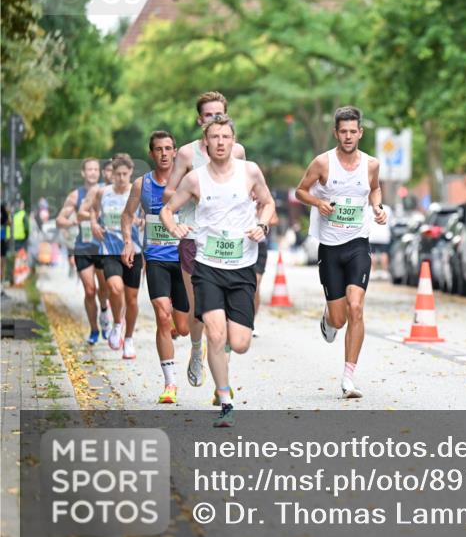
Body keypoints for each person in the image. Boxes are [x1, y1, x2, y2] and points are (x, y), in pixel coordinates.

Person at [161, 115, 274, 427]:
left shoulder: (249, 171)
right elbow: (167, 209)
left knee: (239, 343)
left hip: (241, 267)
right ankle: (225, 400)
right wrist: (175, 227)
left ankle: (223, 354)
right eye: (215, 137)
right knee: (214, 332)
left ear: (233, 141)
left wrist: (262, 224)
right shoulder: (195, 179)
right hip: (207, 265)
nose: (221, 142)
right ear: (206, 142)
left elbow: (268, 203)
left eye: (226, 136)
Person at [294, 106, 387, 399]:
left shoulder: (371, 164)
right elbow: (300, 191)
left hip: (358, 243)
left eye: (353, 131)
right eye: (343, 131)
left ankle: (348, 378)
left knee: (356, 306)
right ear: (336, 133)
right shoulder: (323, 163)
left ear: (360, 132)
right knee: (339, 319)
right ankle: (328, 318)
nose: (348, 136)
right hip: (330, 247)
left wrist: (377, 207)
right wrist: (317, 203)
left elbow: (375, 189)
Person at [164, 91, 247, 388]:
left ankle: (222, 368)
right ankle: (197, 351)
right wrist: (193, 194)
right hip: (194, 237)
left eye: (219, 114)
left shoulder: (237, 152)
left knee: (226, 309)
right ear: (200, 120)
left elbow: (245, 189)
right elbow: (168, 193)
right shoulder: (186, 154)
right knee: (199, 305)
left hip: (228, 238)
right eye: (208, 115)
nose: (213, 119)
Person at [121, 131, 191, 404]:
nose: (163, 153)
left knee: (183, 327)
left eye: (168, 148)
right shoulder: (142, 184)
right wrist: (128, 242)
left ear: (175, 152)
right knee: (163, 316)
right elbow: (128, 215)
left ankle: (189, 337)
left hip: (184, 259)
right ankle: (170, 384)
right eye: (158, 149)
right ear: (151, 154)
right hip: (156, 259)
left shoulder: (188, 181)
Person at [81, 154, 143, 358]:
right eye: (118, 174)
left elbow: (148, 216)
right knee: (115, 288)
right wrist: (94, 223)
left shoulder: (138, 192)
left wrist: (141, 223)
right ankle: (117, 324)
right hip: (110, 251)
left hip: (134, 250)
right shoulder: (102, 192)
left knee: (132, 300)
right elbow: (92, 210)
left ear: (131, 173)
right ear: (112, 175)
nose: (122, 178)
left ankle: (129, 339)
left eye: (125, 174)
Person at [55, 158, 112, 344]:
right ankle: (94, 330)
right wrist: (74, 221)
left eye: (96, 169)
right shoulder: (75, 195)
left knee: (104, 289)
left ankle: (104, 310)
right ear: (83, 173)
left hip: (103, 247)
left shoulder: (106, 191)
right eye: (89, 169)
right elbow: (59, 220)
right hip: (83, 247)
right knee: (89, 290)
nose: (93, 172)